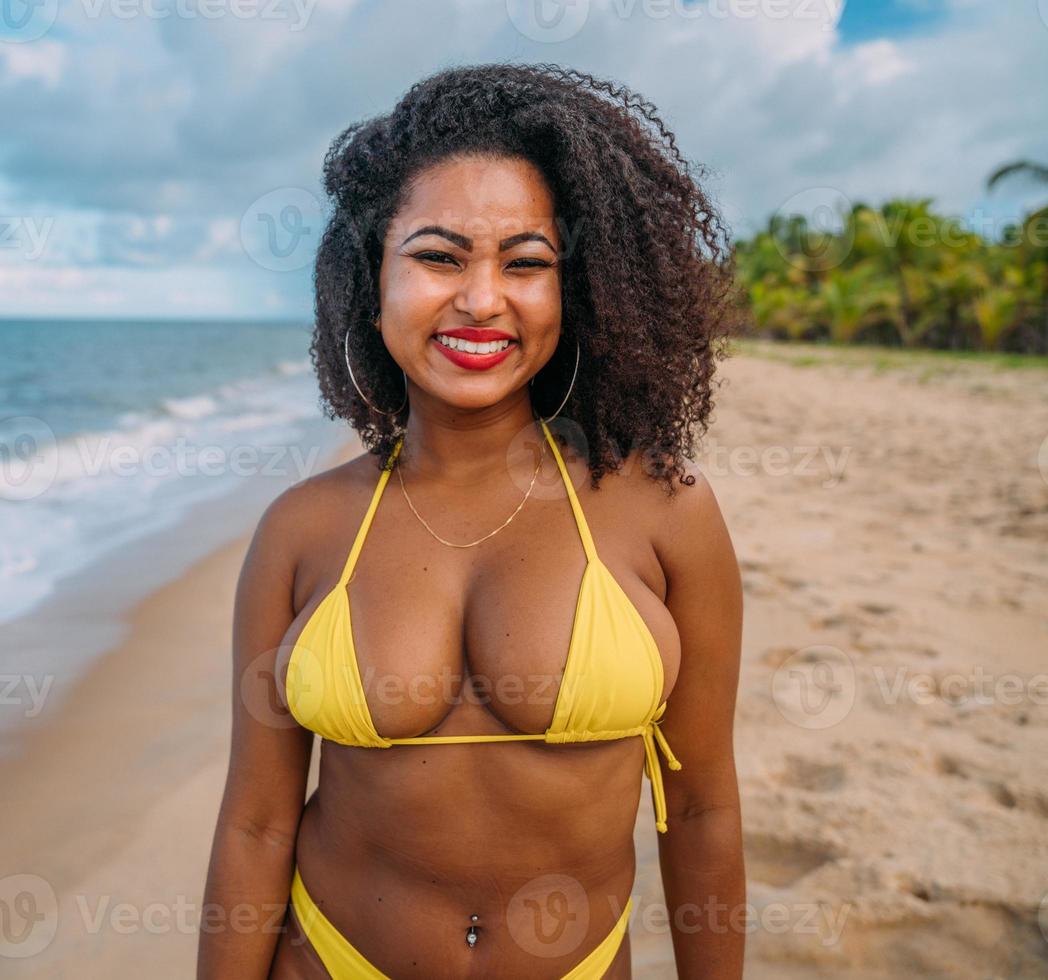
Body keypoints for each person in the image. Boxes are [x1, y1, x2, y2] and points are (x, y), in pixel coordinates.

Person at [200, 62, 746, 979]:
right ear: (371, 280)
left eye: (527, 263)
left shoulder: (664, 512)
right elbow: (256, 822)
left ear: (581, 292)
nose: (483, 299)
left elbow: (700, 811)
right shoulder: (300, 531)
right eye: (438, 256)